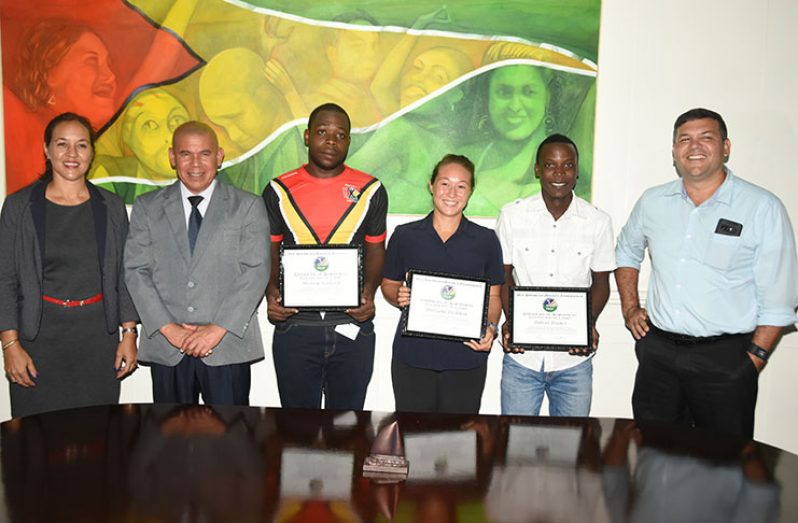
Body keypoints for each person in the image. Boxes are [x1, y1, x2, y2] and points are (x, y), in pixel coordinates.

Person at [615, 108, 798, 439]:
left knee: (723, 467)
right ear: (674, 151)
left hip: (726, 359)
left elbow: (781, 297)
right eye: (684, 139)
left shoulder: (761, 207)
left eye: (706, 138)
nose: (694, 147)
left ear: (726, 147)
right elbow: (626, 251)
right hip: (659, 356)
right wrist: (630, 308)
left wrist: (752, 360)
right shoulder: (653, 202)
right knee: (655, 455)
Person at [0, 112, 138, 418]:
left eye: (82, 145)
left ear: (91, 152)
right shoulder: (18, 207)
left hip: (96, 342)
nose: (72, 154)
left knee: (96, 437)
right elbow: (5, 279)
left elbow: (124, 276)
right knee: (35, 445)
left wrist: (129, 334)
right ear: (47, 150)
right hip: (37, 342)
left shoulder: (112, 207)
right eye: (62, 144)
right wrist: (10, 345)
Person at [124, 121, 270, 405]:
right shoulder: (147, 207)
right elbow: (135, 271)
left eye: (204, 153)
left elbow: (256, 270)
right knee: (172, 441)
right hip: (168, 348)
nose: (195, 163)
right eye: (185, 154)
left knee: (230, 443)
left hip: (227, 346)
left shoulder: (248, 206)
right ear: (171, 157)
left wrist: (216, 330)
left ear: (219, 156)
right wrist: (170, 330)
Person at [263, 103, 388, 410]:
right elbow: (269, 248)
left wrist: (368, 296)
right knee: (296, 431)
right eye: (322, 132)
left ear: (348, 142)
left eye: (340, 135)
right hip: (296, 328)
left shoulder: (370, 189)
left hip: (351, 327)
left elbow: (376, 249)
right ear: (307, 137)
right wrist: (271, 295)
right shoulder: (279, 189)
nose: (331, 141)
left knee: (348, 430)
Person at [496, 134, 615, 416]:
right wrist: (512, 322)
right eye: (550, 165)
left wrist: (587, 325)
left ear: (577, 170)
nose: (559, 173)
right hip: (522, 360)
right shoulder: (512, 216)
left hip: (573, 363)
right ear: (537, 169)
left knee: (571, 449)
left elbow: (601, 284)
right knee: (515, 445)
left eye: (568, 165)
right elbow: (504, 278)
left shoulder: (598, 222)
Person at [381, 154, 502, 413]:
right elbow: (388, 284)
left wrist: (491, 328)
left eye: (461, 186)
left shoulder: (486, 240)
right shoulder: (405, 235)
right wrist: (398, 295)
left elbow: (494, 297)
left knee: (458, 444)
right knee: (412, 438)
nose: (452, 193)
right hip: (413, 357)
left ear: (470, 192)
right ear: (431, 186)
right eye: (445, 183)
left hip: (466, 359)